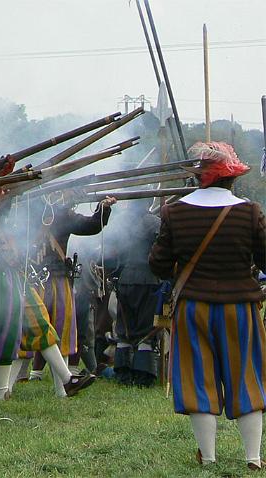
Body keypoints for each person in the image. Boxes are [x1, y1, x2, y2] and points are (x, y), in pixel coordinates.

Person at [150, 142, 266, 470]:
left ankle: (209, 458)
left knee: (198, 378)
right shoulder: (250, 211)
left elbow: (159, 264)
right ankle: (253, 458)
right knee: (247, 376)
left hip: (192, 307)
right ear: (230, 178)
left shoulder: (174, 211)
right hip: (240, 307)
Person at [28, 193, 114, 395]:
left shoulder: (29, 209)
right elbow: (92, 225)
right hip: (52, 280)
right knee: (60, 332)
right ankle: (59, 387)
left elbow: (92, 225)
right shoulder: (59, 214)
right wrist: (103, 209)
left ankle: (52, 385)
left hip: (36, 279)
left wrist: (103, 207)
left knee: (56, 331)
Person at [113, 199, 161, 386]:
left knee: (125, 329)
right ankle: (143, 377)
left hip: (124, 280)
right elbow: (162, 250)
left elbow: (112, 253)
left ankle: (124, 374)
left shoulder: (122, 223)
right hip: (148, 280)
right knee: (146, 329)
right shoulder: (153, 222)